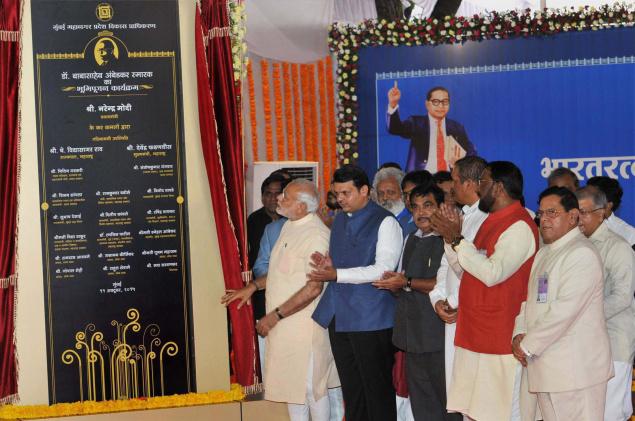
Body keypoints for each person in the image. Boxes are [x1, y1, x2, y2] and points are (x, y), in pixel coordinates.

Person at [222, 180, 339, 421]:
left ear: (301, 207)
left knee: (311, 390)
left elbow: (313, 288)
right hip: (285, 325)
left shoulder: (316, 235)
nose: (279, 199)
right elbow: (280, 272)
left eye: (285, 197)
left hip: (304, 327)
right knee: (291, 390)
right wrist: (253, 286)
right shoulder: (290, 226)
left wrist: (275, 316)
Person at [431, 161, 538, 421]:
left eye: (483, 182)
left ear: (498, 187)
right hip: (475, 331)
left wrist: (458, 240)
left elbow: (492, 273)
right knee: (473, 412)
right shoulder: (490, 221)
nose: (478, 189)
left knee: (501, 414)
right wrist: (450, 239)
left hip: (501, 336)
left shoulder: (519, 225)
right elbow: (464, 269)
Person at [310, 164, 403, 421]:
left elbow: (384, 270)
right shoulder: (339, 218)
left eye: (346, 193)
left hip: (371, 318)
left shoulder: (385, 222)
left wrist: (337, 274)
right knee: (353, 391)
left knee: (377, 391)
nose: (340, 199)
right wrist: (330, 265)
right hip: (340, 315)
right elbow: (343, 263)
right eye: (337, 193)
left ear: (365, 191)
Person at [512, 186, 613, 421]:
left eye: (552, 213)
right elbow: (530, 303)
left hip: (575, 371)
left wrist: (527, 345)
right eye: (541, 213)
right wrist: (518, 334)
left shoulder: (581, 253)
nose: (544, 219)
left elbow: (564, 312)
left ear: (573, 216)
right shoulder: (544, 253)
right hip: (546, 366)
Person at [374, 184, 461, 421]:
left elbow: (446, 283)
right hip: (411, 336)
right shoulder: (410, 237)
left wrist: (407, 282)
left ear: (443, 208)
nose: (420, 213)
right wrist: (394, 284)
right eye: (415, 207)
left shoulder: (451, 240)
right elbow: (404, 280)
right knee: (422, 405)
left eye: (428, 206)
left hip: (438, 335)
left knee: (448, 404)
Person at [429, 156, 488, 402]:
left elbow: (476, 272)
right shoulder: (461, 215)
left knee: (479, 396)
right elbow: (446, 266)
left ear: (470, 184)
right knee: (462, 395)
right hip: (453, 312)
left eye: (454, 180)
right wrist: (438, 299)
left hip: (473, 313)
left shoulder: (487, 219)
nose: (451, 188)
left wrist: (454, 301)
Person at [575, 186, 635, 421]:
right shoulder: (575, 245)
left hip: (613, 341)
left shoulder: (617, 247)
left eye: (585, 212)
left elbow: (622, 297)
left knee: (611, 412)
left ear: (602, 213)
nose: (579, 219)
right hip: (583, 342)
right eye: (575, 212)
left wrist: (582, 316)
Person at [386, 85, 475, 172]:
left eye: (445, 102)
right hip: (421, 178)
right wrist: (393, 104)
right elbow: (395, 129)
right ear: (427, 104)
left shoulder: (457, 127)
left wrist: (460, 164)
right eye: (436, 101)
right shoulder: (416, 123)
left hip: (448, 179)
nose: (441, 106)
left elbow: (471, 152)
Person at [247, 173, 287, 322]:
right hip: (262, 286)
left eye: (277, 194)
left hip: (291, 287)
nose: (272, 198)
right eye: (268, 194)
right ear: (262, 197)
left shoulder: (293, 219)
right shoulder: (253, 221)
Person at [586, 176, 635, 247]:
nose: (584, 201)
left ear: (608, 205)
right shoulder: (577, 226)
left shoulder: (629, 234)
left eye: (592, 197)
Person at [373, 166, 410, 232]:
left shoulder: (413, 221)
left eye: (390, 192)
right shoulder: (373, 221)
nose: (385, 197)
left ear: (402, 193)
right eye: (381, 193)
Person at [401, 170, 434, 237]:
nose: (408, 199)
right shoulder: (402, 222)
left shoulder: (441, 223)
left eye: (412, 194)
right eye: (405, 195)